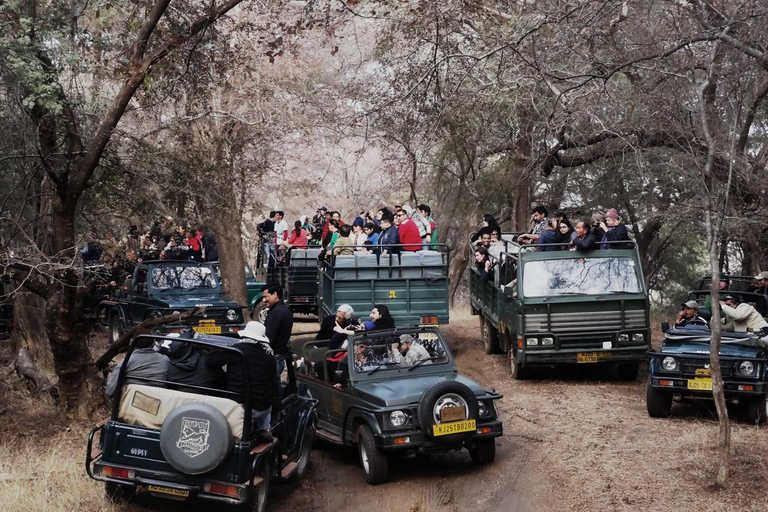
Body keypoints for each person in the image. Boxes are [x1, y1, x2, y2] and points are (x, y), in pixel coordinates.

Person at [205, 321, 276, 442]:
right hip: (263, 408)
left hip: (239, 405)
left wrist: (223, 349)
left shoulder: (238, 351)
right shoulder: (269, 354)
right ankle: (264, 428)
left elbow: (210, 360)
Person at [262, 283, 293, 356]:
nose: (264, 300)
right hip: (281, 354)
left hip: (274, 356)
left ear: (275, 295)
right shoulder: (285, 310)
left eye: (266, 297)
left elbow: (268, 338)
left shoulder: (276, 313)